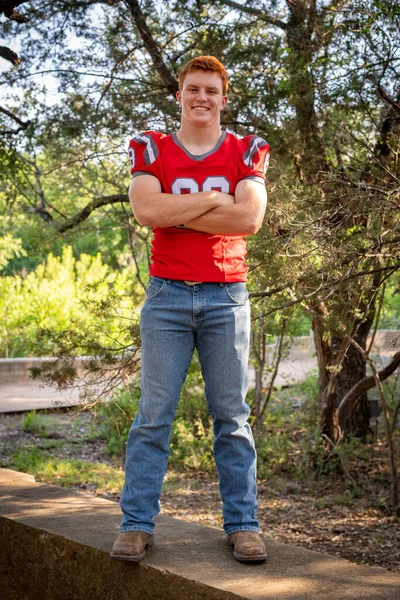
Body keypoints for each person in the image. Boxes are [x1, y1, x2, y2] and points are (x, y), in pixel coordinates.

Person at [111, 56, 270, 564]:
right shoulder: (152, 147)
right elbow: (147, 211)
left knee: (233, 418)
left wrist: (179, 212)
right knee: (153, 416)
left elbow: (248, 219)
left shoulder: (246, 149)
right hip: (167, 297)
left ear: (224, 98)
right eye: (193, 89)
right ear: (178, 95)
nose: (202, 97)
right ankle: (136, 524)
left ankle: (243, 525)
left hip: (226, 296)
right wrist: (210, 198)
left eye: (211, 90)